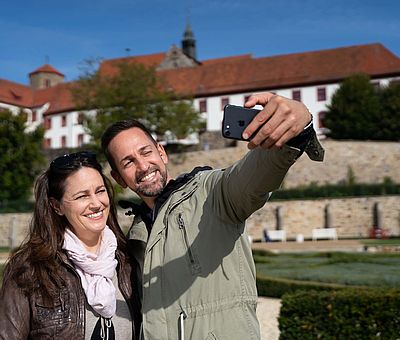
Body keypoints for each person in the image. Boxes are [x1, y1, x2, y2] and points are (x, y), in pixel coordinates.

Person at [100, 92, 324, 339]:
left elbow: (256, 173)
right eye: (128, 162)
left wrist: (298, 126)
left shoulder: (213, 192)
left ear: (161, 153)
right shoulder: (136, 235)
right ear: (119, 178)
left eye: (145, 152)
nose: (143, 166)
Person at [0, 151, 140, 340]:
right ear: (57, 206)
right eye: (82, 196)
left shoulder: (129, 262)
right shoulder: (29, 269)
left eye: (100, 191)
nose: (96, 203)